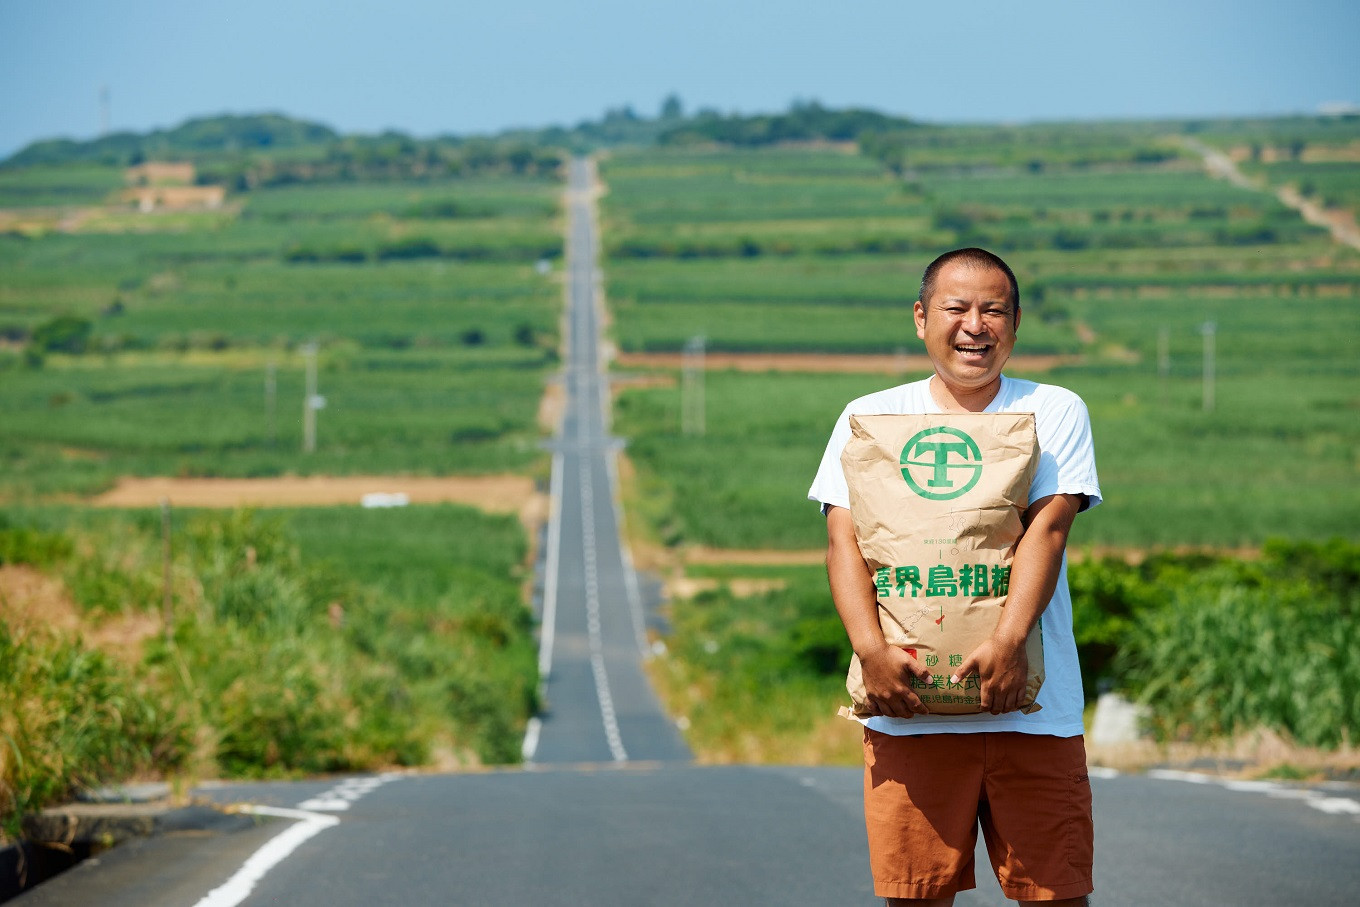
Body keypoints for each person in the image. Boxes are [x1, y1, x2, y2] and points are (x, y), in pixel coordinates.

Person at [807, 248, 1101, 906]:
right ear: (921, 318)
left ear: (1016, 323)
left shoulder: (1053, 411)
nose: (976, 324)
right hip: (907, 711)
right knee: (914, 895)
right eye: (957, 308)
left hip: (1033, 712)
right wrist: (871, 652)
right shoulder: (868, 416)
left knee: (1056, 894)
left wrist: (1007, 640)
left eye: (993, 309)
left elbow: (1048, 531)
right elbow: (842, 542)